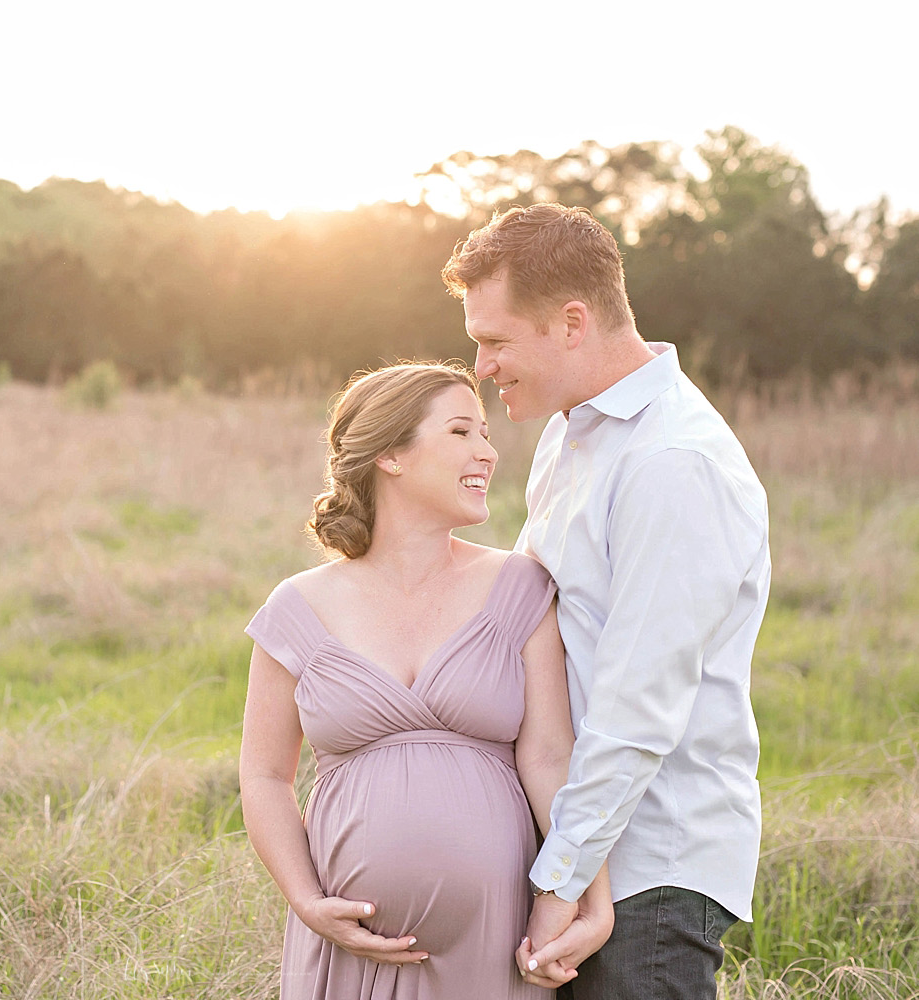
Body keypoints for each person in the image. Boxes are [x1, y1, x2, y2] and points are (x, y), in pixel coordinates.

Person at [441, 203, 771, 999]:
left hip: (645, 873)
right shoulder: (572, 433)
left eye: (494, 340)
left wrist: (561, 883)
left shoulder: (674, 461)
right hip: (586, 851)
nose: (481, 367)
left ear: (572, 322)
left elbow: (636, 707)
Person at [239, 362, 613, 1000]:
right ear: (390, 454)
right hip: (348, 952)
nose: (488, 453)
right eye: (462, 432)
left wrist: (590, 899)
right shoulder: (297, 608)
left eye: (486, 434)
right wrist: (306, 902)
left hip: (497, 951)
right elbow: (264, 776)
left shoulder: (519, 588)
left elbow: (552, 760)